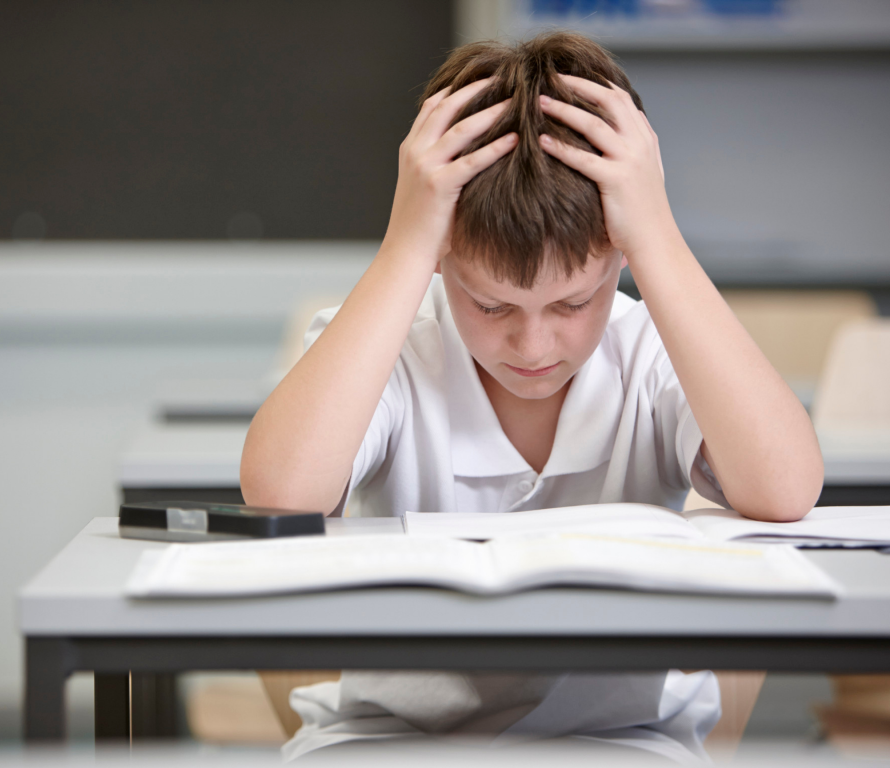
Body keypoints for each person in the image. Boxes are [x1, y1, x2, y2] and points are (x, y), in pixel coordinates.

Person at [240, 31, 824, 762]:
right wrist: (405, 245)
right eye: (492, 307)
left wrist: (658, 236)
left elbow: (786, 487)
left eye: (575, 303)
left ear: (619, 256)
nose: (536, 347)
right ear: (442, 257)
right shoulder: (393, 341)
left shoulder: (648, 348)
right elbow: (280, 493)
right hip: (393, 741)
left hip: (622, 740)